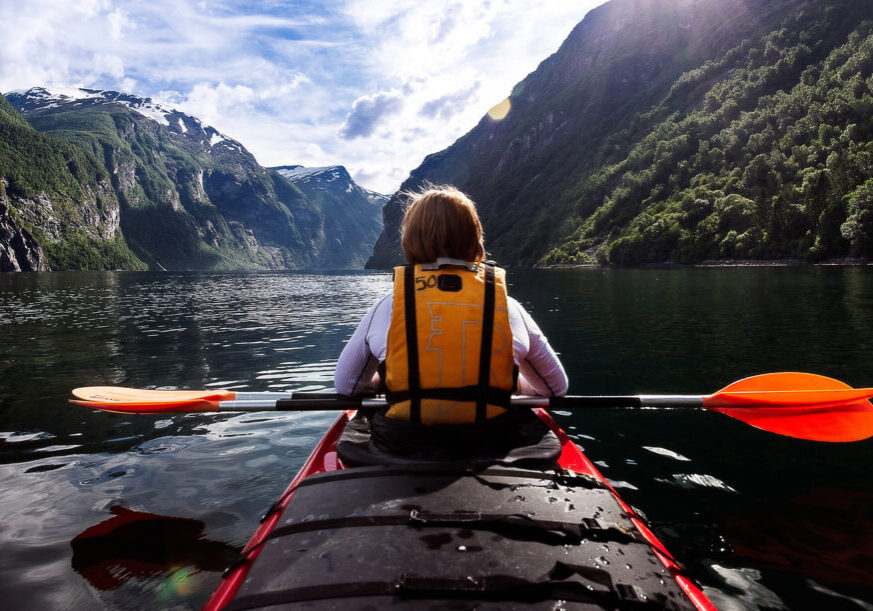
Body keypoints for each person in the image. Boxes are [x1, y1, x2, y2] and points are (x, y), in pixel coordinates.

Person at [334, 186, 567, 459]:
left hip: (405, 443)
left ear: (410, 240)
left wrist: (386, 381)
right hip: (489, 440)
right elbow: (554, 388)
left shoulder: (388, 306)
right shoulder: (507, 307)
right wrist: (508, 384)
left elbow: (347, 386)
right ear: (475, 238)